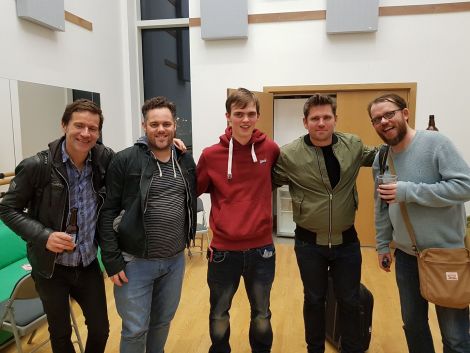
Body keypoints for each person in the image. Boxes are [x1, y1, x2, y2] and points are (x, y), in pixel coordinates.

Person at [0, 99, 112, 353]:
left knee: (100, 329)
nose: (85, 133)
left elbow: (134, 163)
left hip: (88, 264)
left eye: (92, 128)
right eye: (79, 125)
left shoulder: (103, 160)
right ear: (64, 125)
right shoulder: (36, 166)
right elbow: (7, 209)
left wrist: (167, 146)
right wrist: (44, 236)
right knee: (60, 335)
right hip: (51, 269)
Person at [272, 93, 377, 353]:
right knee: (314, 300)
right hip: (309, 245)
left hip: (347, 243)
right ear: (305, 122)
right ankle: (314, 349)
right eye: (315, 118)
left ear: (335, 119)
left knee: (350, 301)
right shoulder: (289, 154)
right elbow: (263, 177)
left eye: (327, 117)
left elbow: (379, 156)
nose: (321, 123)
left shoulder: (352, 145)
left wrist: (412, 141)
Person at [369, 93, 470, 353]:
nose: (384, 121)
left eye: (389, 114)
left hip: (445, 255)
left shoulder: (435, 143)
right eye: (377, 119)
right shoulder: (381, 158)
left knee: (455, 336)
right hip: (405, 256)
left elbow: (464, 187)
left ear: (405, 113)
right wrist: (382, 244)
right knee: (413, 326)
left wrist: (409, 191)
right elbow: (381, 205)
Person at [97, 96, 197, 353]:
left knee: (162, 322)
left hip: (174, 261)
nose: (161, 129)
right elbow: (107, 212)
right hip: (135, 263)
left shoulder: (185, 160)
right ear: (144, 126)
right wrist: (111, 260)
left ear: (175, 125)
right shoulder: (126, 160)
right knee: (135, 329)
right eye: (154, 124)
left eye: (166, 123)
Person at [197, 88, 280, 353]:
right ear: (228, 117)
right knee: (219, 313)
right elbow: (193, 190)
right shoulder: (211, 155)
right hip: (223, 252)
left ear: (258, 116)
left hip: (262, 250)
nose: (245, 119)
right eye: (239, 114)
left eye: (251, 114)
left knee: (262, 313)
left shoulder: (270, 149)